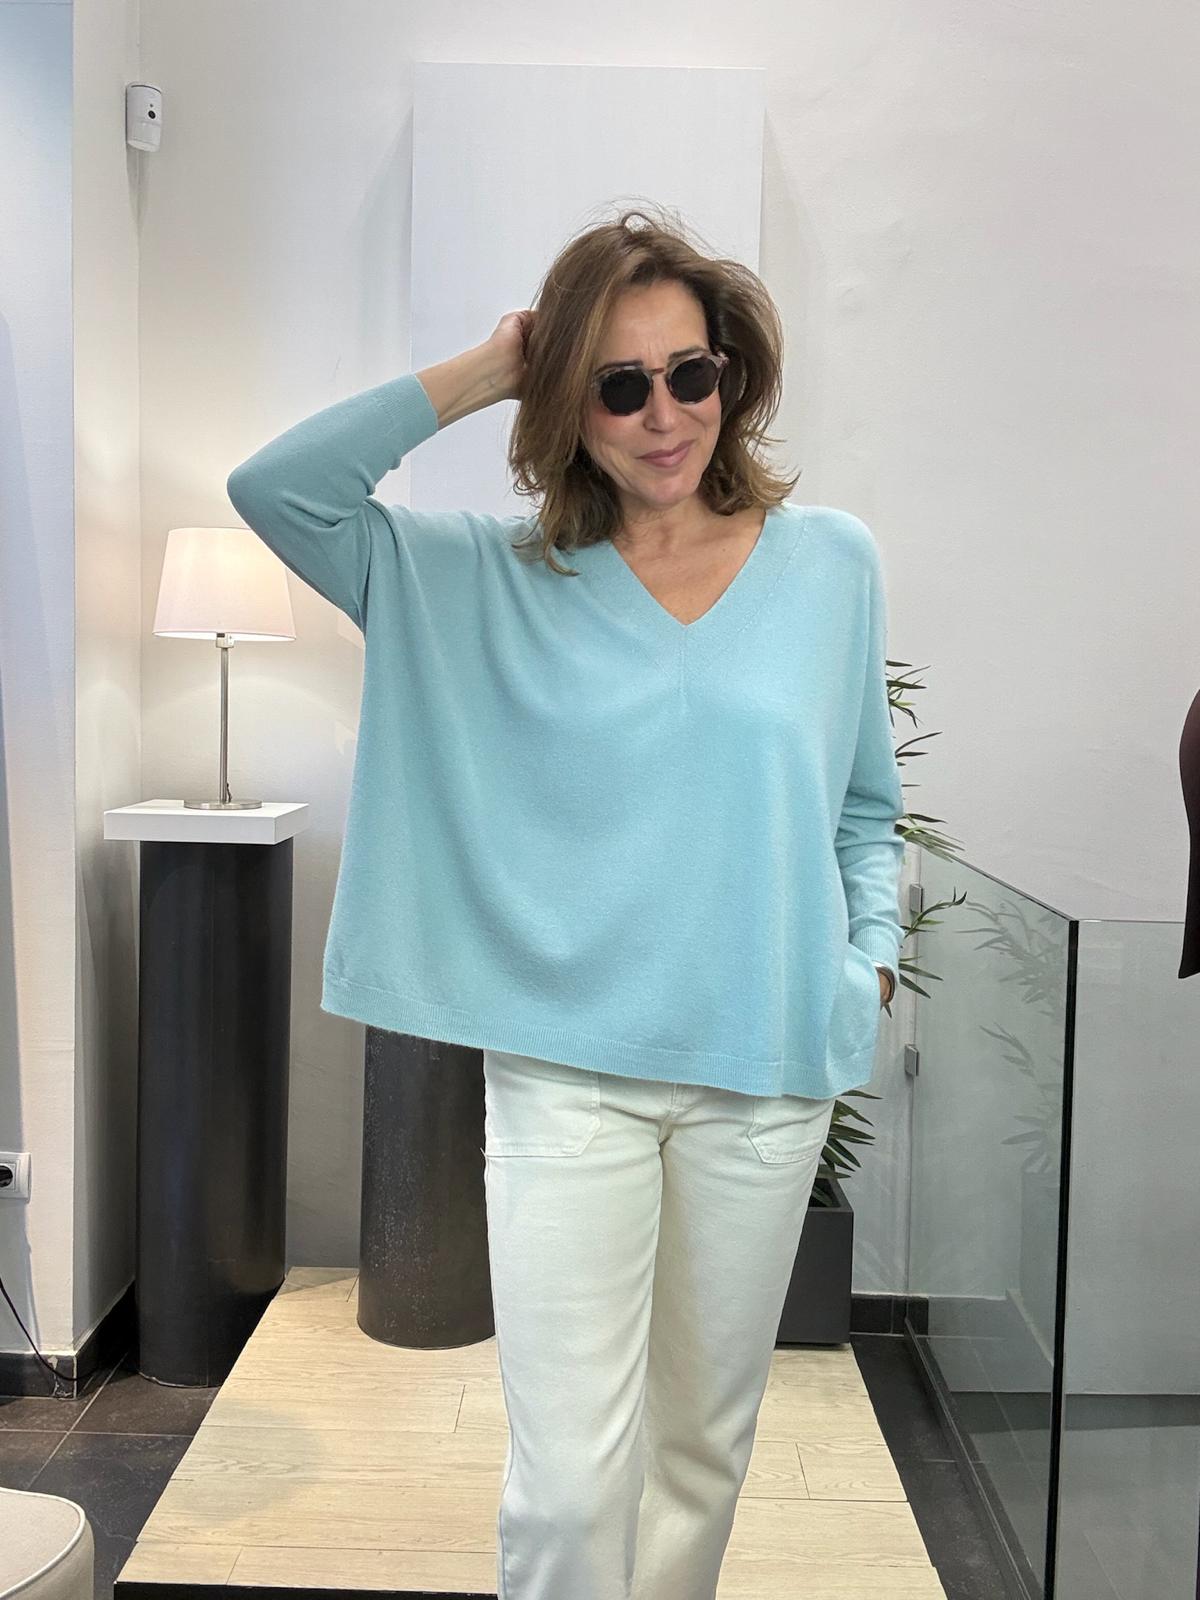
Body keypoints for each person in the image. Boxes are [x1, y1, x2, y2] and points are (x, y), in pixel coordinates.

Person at [227, 204, 904, 1600]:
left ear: (732, 375)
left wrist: (870, 959)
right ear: (567, 407)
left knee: (701, 1453)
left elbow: (861, 807)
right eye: (616, 385)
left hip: (768, 1072)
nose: (664, 416)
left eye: (690, 374)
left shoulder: (831, 564)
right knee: (569, 1482)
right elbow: (279, 490)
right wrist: (490, 368)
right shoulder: (488, 576)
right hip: (569, 1080)